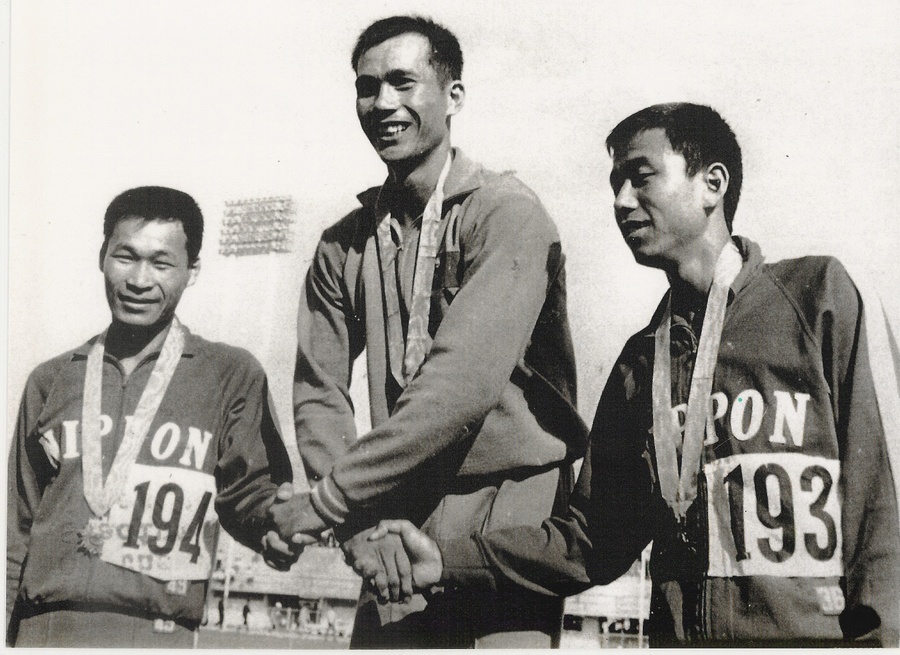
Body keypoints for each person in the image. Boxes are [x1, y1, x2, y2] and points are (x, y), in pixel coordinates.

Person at [361, 103, 900, 647]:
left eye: (641, 178)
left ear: (712, 184)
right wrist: (444, 560)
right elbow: (591, 540)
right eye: (615, 185)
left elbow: (883, 500)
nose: (621, 201)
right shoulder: (640, 365)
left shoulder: (817, 298)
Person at [265, 14, 588, 649]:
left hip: (506, 501)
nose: (383, 103)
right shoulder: (342, 244)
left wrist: (330, 501)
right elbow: (319, 392)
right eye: (367, 88)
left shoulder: (507, 212)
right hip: (390, 507)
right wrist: (354, 520)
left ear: (453, 94)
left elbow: (460, 385)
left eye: (403, 82)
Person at [6, 186, 295, 647]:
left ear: (192, 271)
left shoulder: (230, 375)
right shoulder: (51, 379)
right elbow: (16, 530)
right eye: (125, 257)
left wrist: (274, 525)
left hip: (157, 633)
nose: (139, 280)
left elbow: (250, 493)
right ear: (102, 257)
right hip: (45, 629)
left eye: (162, 264)